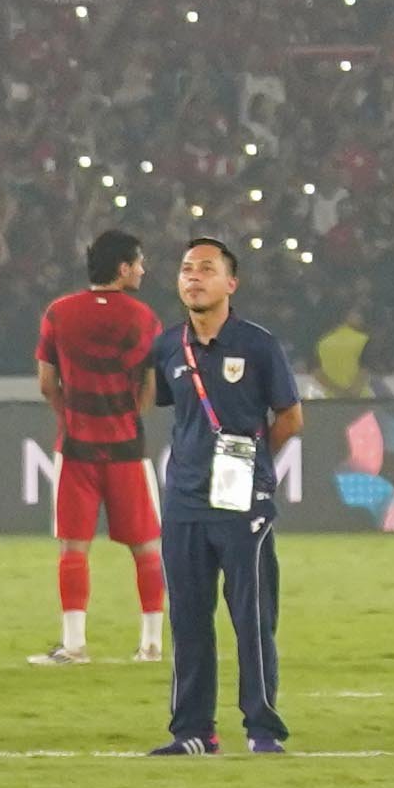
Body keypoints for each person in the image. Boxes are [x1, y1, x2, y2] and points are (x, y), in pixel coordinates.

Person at [145, 236, 299, 758]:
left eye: (206, 269)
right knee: (188, 618)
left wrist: (253, 469)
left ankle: (261, 728)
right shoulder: (168, 347)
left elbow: (290, 417)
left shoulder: (258, 345)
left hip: (240, 502)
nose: (193, 277)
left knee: (252, 617)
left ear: (231, 284)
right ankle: (192, 731)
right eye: (187, 269)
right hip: (185, 499)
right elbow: (170, 409)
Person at [33, 228, 170, 666]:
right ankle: (151, 644)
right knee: (146, 546)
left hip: (76, 447)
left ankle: (74, 645)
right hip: (127, 446)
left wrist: (68, 414)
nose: (144, 270)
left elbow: (45, 382)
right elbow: (149, 388)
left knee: (74, 547)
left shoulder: (58, 313)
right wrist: (128, 413)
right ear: (123, 268)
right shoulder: (145, 319)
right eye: (140, 262)